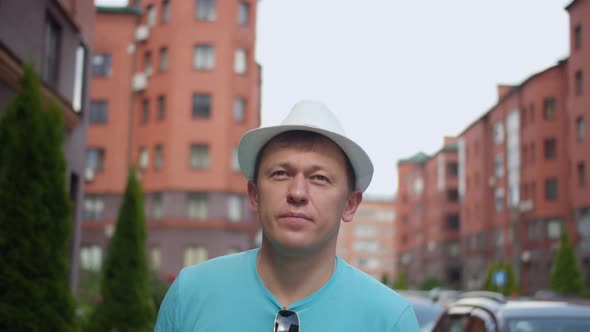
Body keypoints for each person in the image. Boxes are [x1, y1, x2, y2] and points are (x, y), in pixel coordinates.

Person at [155, 100, 420, 331]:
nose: (297, 192)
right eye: (281, 173)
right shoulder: (190, 294)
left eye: (320, 178)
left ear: (350, 204)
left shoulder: (389, 320)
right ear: (254, 194)